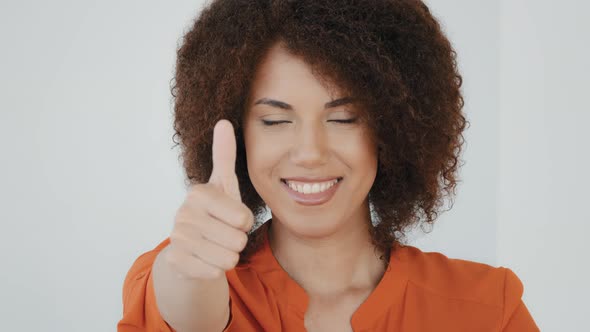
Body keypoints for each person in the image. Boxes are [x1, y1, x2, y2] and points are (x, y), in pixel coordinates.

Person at [117, 0, 539, 331]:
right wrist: (189, 273)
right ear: (238, 131)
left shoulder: (486, 309)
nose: (310, 152)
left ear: (390, 128)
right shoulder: (193, 271)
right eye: (275, 120)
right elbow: (192, 314)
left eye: (342, 119)